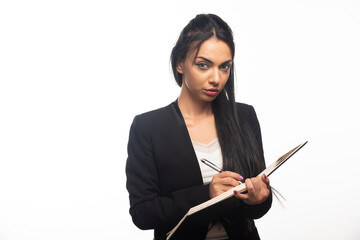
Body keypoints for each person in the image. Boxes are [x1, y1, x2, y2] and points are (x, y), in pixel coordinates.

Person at [126, 13, 272, 240]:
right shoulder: (148, 127)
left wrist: (260, 198)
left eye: (225, 67)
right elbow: (142, 213)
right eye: (203, 65)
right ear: (180, 63)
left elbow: (257, 208)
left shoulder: (244, 116)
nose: (216, 78)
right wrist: (207, 195)